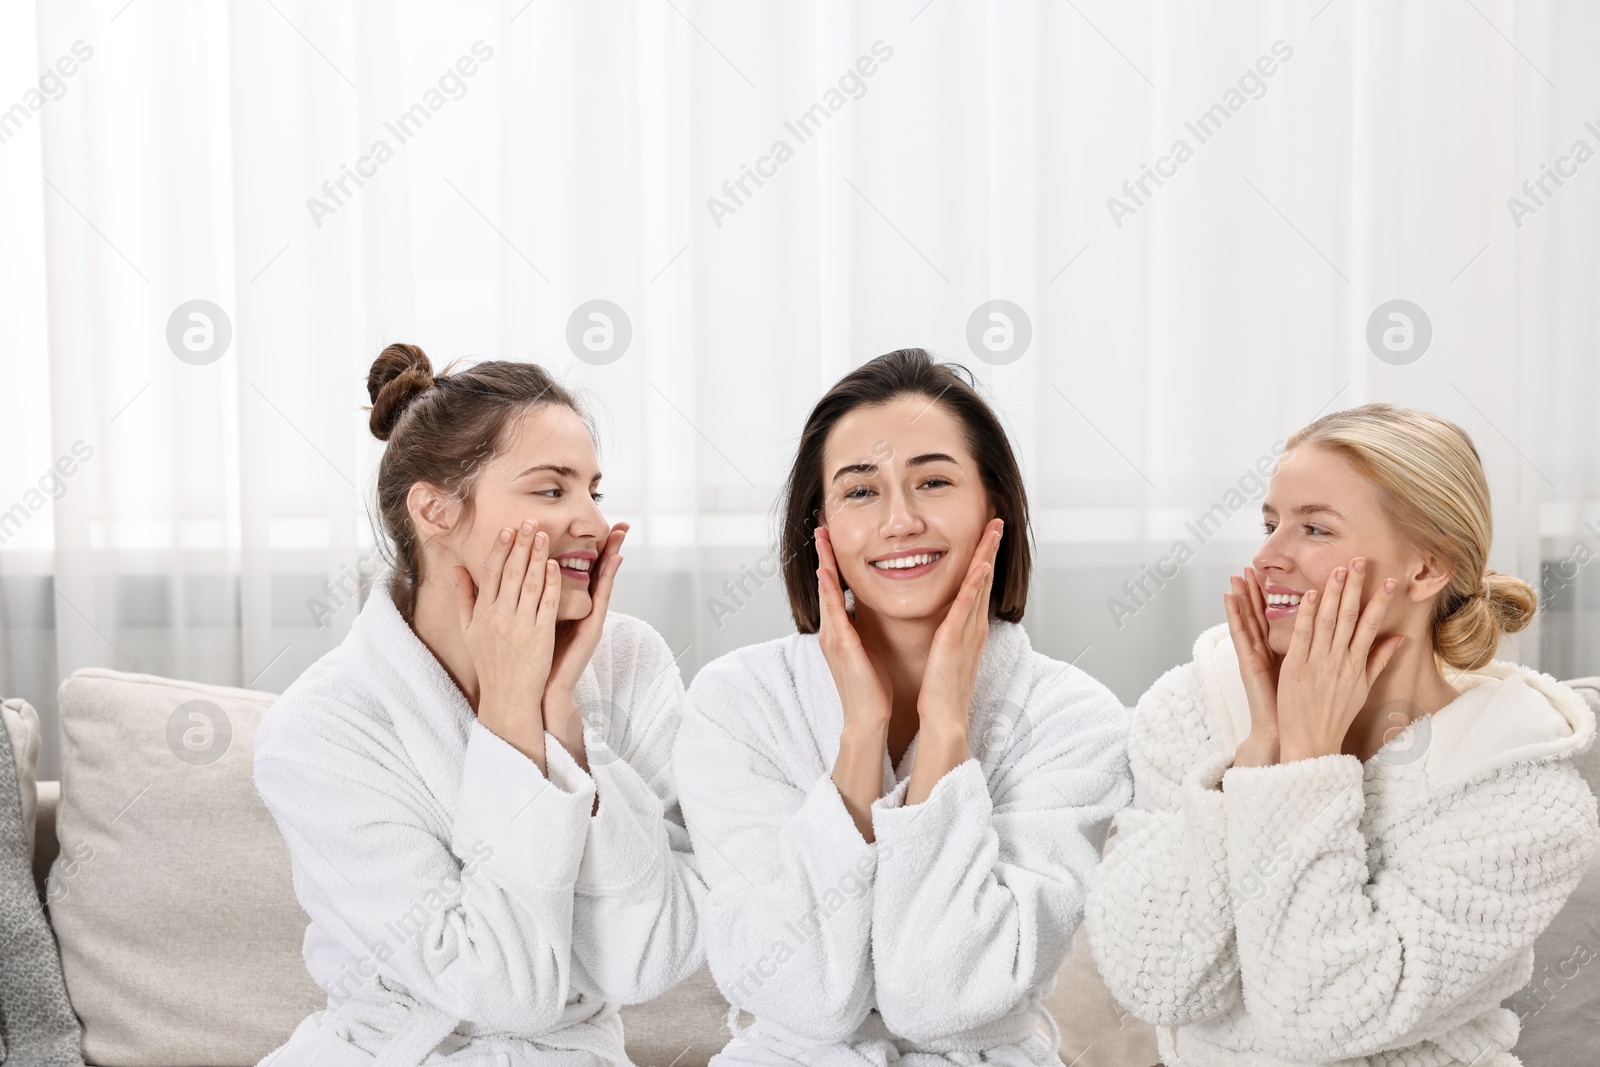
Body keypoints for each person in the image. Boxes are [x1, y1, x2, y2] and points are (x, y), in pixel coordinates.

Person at [1084, 403, 1599, 1067]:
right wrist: (1255, 752)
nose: (1268, 557)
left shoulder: (1526, 791)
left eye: (1314, 529)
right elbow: (1156, 980)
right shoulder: (1193, 710)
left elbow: (1321, 1016)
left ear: (1424, 569)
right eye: (1269, 524)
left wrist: (1305, 766)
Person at [674, 348, 1132, 1067]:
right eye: (861, 491)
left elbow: (945, 998)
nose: (901, 519)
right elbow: (797, 994)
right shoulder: (737, 702)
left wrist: (948, 723)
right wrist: (861, 734)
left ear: (995, 506)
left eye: (934, 481)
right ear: (817, 523)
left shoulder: (1076, 719)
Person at [255, 344, 705, 1067]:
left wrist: (560, 715)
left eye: (594, 489)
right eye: (552, 491)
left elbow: (649, 957)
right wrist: (509, 719)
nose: (591, 522)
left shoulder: (629, 664)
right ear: (434, 509)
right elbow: (505, 991)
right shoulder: (318, 730)